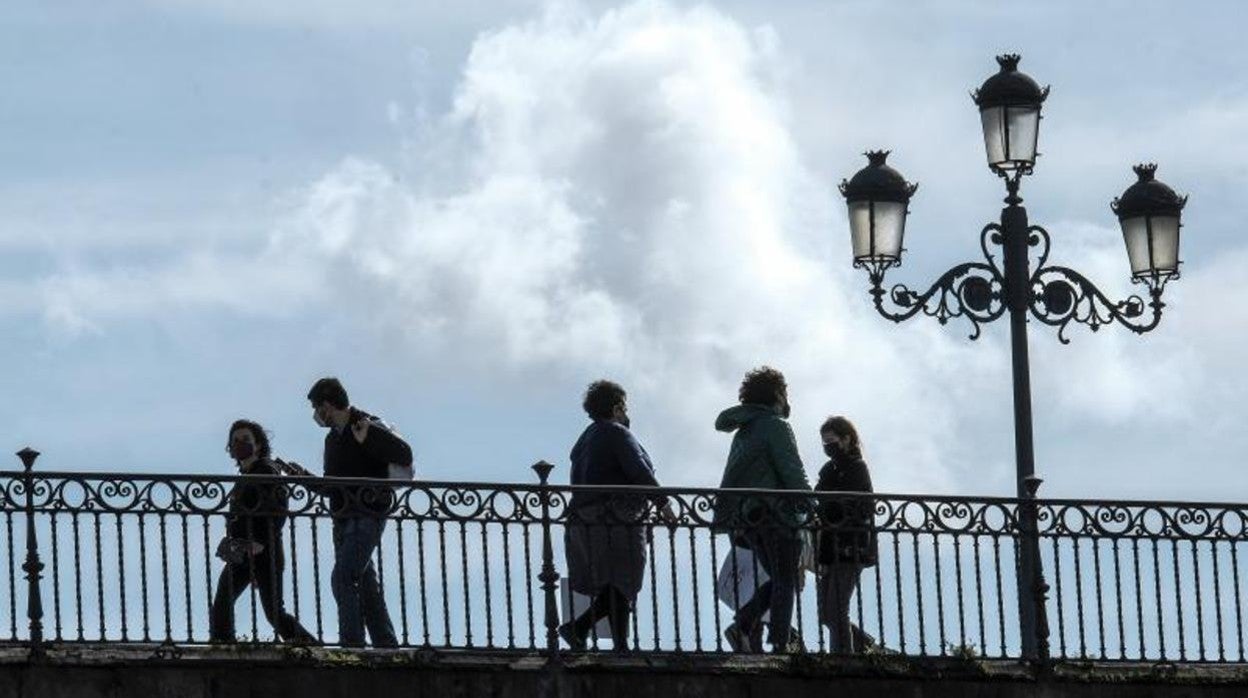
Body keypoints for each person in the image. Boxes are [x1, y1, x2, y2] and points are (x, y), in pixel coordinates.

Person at [558, 380, 674, 651]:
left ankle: (620, 645)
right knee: (623, 581)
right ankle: (579, 627)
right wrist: (663, 503)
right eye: (625, 407)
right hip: (617, 517)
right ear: (617, 407)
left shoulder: (584, 439)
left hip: (585, 519)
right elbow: (639, 471)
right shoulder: (617, 433)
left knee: (615, 585)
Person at [304, 377, 411, 648]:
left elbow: (404, 454)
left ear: (327, 405)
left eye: (317, 408)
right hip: (342, 518)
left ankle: (352, 645)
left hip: (367, 514)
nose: (316, 415)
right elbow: (333, 486)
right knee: (366, 586)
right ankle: (386, 644)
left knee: (342, 577)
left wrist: (369, 439)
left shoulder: (366, 424)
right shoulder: (333, 440)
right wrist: (304, 479)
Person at [712, 366, 812, 653]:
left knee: (780, 579)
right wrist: (811, 506)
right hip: (777, 513)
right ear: (778, 395)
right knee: (786, 580)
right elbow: (792, 471)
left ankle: (743, 625)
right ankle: (780, 644)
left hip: (749, 516)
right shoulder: (775, 426)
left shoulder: (745, 430)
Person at [209, 419, 316, 645]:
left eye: (245, 439)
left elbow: (278, 511)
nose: (240, 444)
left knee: (274, 613)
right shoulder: (244, 477)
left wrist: (261, 544)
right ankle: (224, 645)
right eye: (235, 441)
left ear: (258, 444)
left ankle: (311, 647)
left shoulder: (266, 469)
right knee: (223, 600)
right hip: (242, 550)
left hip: (263, 553)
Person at [815, 415, 878, 654]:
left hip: (851, 546)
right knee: (826, 613)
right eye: (824, 443)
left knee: (836, 609)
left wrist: (829, 504)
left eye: (831, 441)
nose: (828, 447)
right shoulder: (828, 469)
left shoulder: (857, 467)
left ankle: (843, 659)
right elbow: (818, 498)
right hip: (829, 547)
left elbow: (862, 506)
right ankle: (863, 644)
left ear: (847, 439)